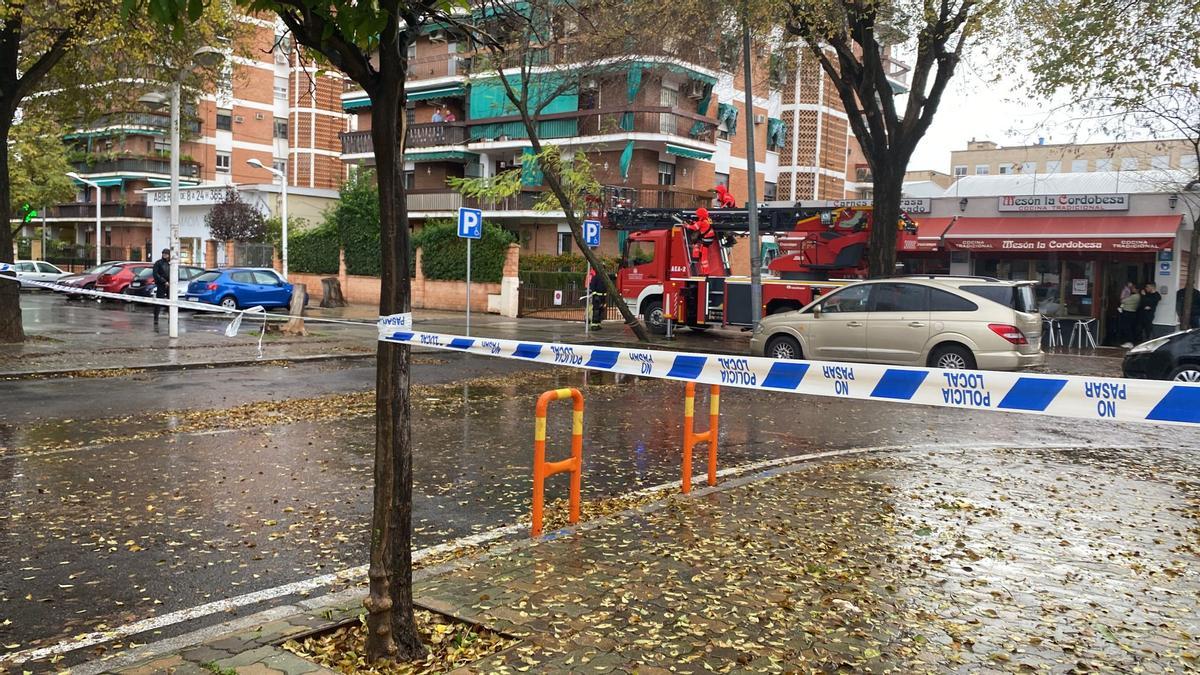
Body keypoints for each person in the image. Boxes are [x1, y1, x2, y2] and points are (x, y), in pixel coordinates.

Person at [152, 248, 171, 325]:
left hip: (170, 285)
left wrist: (170, 282)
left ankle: (171, 317)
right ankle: (156, 318)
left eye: (166, 254)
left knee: (171, 302)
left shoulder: (170, 264)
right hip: (161, 284)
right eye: (163, 253)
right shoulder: (158, 263)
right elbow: (155, 274)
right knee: (159, 301)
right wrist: (164, 281)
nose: (164, 255)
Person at [587, 265, 607, 329]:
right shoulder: (595, 277)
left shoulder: (604, 278)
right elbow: (592, 287)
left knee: (601, 311)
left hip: (603, 297)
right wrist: (595, 296)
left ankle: (598, 324)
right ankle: (593, 325)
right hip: (597, 297)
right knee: (596, 311)